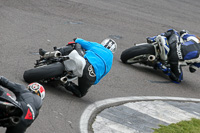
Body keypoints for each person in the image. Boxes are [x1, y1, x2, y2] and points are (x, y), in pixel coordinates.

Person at [40, 38, 117, 97]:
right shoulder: (110, 62)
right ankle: (66, 83)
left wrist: (76, 39)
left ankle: (54, 53)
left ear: (103, 43)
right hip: (91, 76)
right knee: (81, 93)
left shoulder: (98, 46)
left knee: (76, 44)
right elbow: (99, 78)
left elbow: (79, 41)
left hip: (84, 62)